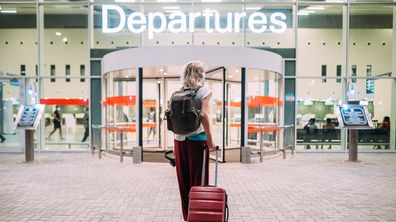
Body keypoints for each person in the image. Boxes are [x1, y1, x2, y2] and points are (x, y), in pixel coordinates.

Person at [173, 61, 216, 221]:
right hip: (197, 142)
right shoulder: (204, 90)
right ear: (200, 74)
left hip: (179, 142)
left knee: (183, 181)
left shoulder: (178, 91)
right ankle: (198, 217)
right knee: (198, 181)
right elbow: (204, 115)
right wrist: (211, 142)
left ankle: (187, 216)